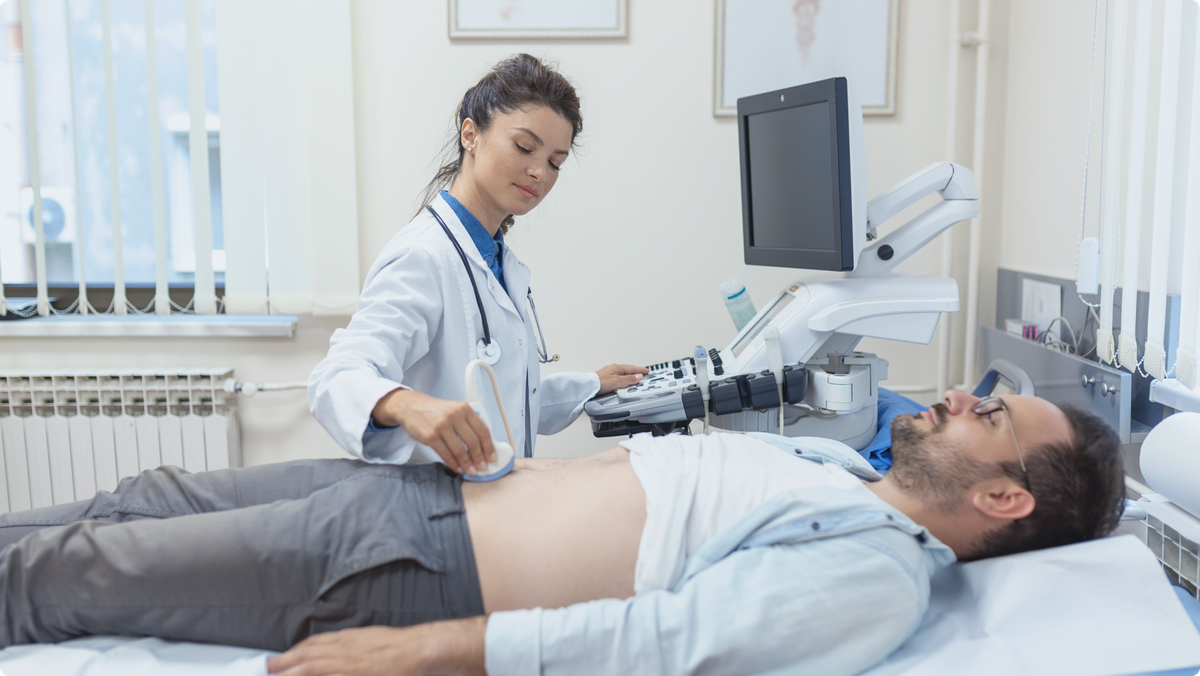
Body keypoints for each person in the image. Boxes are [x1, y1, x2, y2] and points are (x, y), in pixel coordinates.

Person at [0, 390, 1124, 675]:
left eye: (991, 417)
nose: (961, 399)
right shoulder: (844, 473)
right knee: (138, 499)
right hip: (405, 495)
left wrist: (428, 648)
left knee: (73, 575)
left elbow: (666, 644)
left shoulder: (881, 575)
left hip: (407, 567)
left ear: (1006, 501)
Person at [307, 53, 646, 476]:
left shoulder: (496, 258)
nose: (539, 172)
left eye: (555, 162)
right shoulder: (422, 256)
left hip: (499, 494)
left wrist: (590, 385)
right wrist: (406, 405)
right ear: (471, 134)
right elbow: (337, 377)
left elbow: (504, 402)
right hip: (445, 502)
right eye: (525, 147)